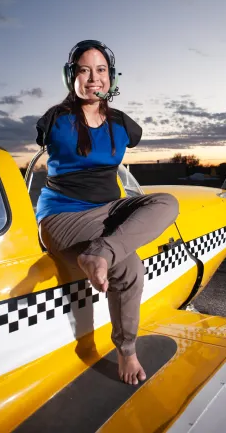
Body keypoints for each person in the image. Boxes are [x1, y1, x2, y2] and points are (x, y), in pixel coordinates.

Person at [35, 40, 179, 386]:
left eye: (101, 70)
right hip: (64, 216)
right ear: (71, 76)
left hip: (109, 210)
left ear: (111, 78)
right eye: (84, 70)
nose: (93, 78)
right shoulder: (55, 120)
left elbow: (131, 136)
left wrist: (105, 241)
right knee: (130, 267)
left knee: (168, 203)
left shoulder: (122, 125)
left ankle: (100, 253)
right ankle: (126, 350)